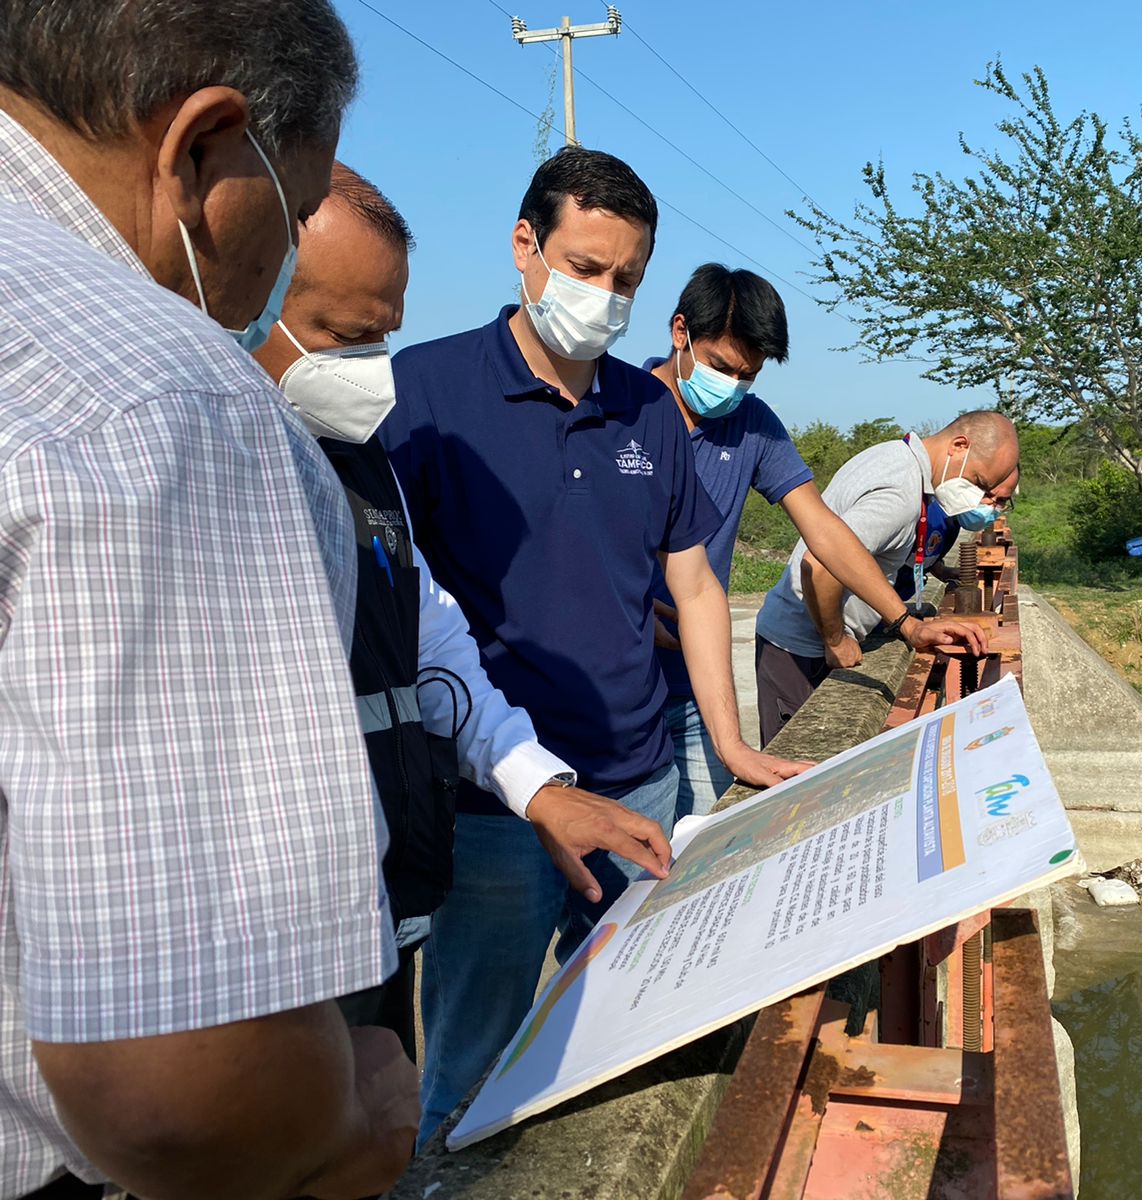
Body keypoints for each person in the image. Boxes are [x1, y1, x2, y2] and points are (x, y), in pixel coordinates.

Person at [0, 4, 419, 1199]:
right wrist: (353, 1121)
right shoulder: (159, 398)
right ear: (200, 147)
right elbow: (179, 1095)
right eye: (288, 208)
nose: (272, 261)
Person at [380, 146, 808, 1142]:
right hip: (495, 803)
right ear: (525, 247)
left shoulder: (648, 408)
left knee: (630, 1027)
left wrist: (731, 745)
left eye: (623, 280)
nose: (602, 297)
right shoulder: (425, 396)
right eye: (583, 268)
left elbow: (692, 580)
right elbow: (395, 602)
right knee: (471, 1061)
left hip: (640, 776)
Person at [250, 164, 671, 1060]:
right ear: (248, 300)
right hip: (254, 938)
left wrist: (540, 788)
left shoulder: (360, 466)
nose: (369, 367)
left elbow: (433, 638)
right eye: (346, 334)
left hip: (375, 895)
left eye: (382, 336)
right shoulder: (182, 464)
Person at [643, 264, 989, 816]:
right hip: (606, 687)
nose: (731, 387)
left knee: (706, 843)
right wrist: (629, 608)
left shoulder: (752, 425)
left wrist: (906, 623)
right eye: (720, 367)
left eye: (747, 375)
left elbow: (825, 531)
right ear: (680, 332)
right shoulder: (619, 409)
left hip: (692, 687)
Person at [754, 413, 1021, 745]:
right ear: (959, 446)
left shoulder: (896, 457)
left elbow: (867, 557)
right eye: (980, 481)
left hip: (808, 639)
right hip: (801, 648)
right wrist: (836, 639)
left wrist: (906, 622)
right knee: (797, 775)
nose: (980, 496)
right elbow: (819, 565)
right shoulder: (900, 491)